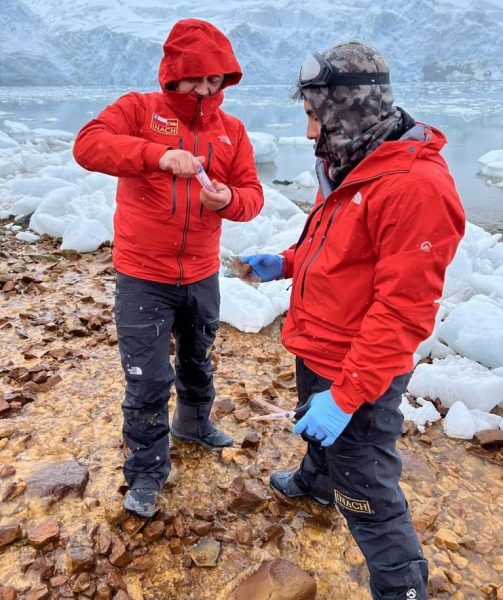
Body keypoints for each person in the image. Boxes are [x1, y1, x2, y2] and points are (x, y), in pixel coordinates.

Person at [242, 42, 465, 600]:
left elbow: (402, 312)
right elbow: (346, 255)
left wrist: (346, 397)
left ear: (348, 109)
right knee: (316, 429)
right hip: (322, 350)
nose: (310, 133)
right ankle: (316, 483)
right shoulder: (358, 165)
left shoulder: (412, 187)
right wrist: (287, 263)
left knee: (369, 492)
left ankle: (402, 588)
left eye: (315, 117)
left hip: (359, 370)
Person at [73, 19, 263, 518]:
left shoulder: (233, 131)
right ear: (173, 74)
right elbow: (88, 145)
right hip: (143, 274)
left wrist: (229, 200)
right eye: (196, 77)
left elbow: (252, 196)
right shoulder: (139, 109)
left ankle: (193, 424)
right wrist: (157, 156)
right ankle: (146, 472)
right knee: (148, 380)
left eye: (215, 79)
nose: (205, 88)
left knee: (199, 358)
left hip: (201, 272)